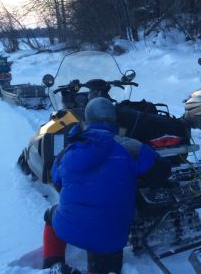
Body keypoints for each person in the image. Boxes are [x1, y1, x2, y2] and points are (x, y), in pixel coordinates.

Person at [41, 97, 170, 274]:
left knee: (51, 214)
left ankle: (52, 264)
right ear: (114, 119)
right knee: (105, 242)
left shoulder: (68, 151)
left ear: (87, 119)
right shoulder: (132, 147)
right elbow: (162, 173)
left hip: (68, 226)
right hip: (111, 236)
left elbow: (57, 182)